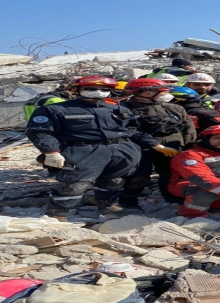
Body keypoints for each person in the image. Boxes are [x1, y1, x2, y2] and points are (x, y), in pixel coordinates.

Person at [25, 76, 143, 216]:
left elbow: (133, 129)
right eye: (91, 89)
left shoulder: (116, 108)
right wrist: (51, 151)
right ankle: (59, 212)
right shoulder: (55, 109)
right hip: (82, 151)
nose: (98, 92)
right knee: (75, 184)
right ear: (77, 90)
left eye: (104, 90)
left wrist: (132, 149)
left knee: (114, 180)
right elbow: (39, 132)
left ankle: (108, 206)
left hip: (119, 150)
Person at [122, 78, 197, 204]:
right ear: (147, 93)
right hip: (140, 147)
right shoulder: (124, 109)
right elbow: (129, 130)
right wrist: (154, 144)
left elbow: (188, 127)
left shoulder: (175, 108)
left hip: (173, 145)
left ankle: (173, 198)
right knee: (138, 175)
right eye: (163, 92)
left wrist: (188, 146)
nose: (167, 95)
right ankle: (128, 201)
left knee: (171, 173)